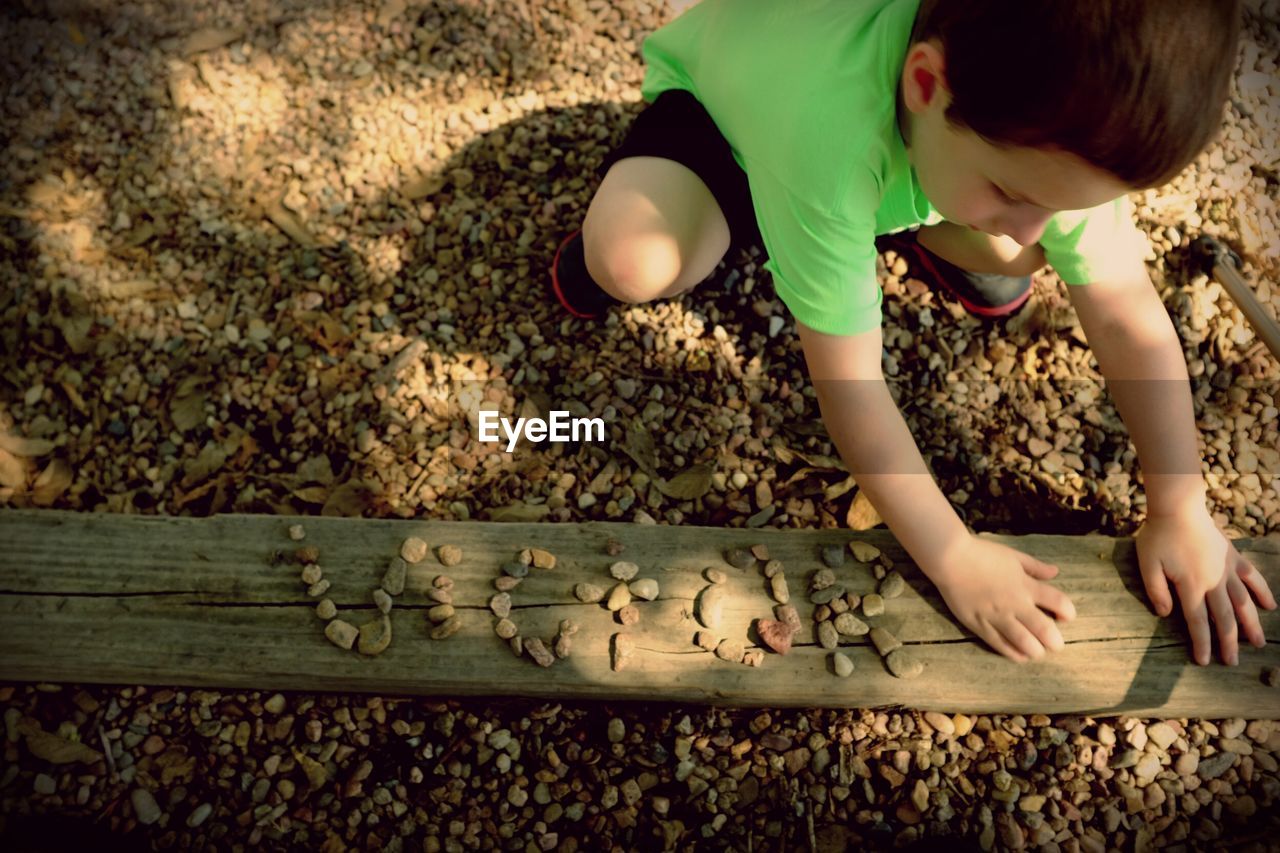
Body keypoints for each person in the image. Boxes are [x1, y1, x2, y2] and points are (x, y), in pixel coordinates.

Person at [550, 0, 1276, 667]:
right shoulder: (825, 133)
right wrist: (953, 554)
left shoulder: (1061, 109)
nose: (1035, 227)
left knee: (1023, 249)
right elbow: (851, 388)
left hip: (905, 149)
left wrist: (1181, 505)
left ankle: (918, 215)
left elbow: (1126, 314)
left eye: (1061, 206)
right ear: (927, 82)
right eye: (1014, 194)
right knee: (632, 257)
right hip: (729, 123)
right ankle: (718, 223)